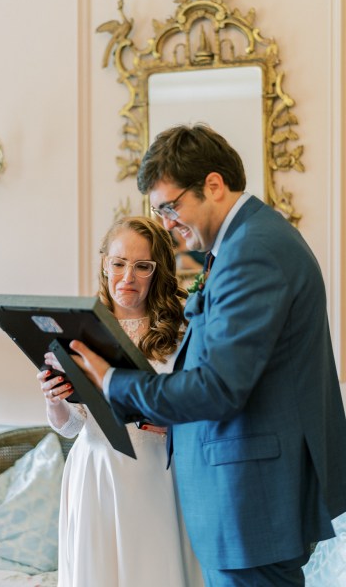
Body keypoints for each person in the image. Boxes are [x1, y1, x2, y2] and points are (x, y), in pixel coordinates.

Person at [67, 124, 346, 587]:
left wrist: (112, 381)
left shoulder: (253, 251)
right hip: (244, 497)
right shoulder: (244, 244)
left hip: (250, 497)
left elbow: (219, 385)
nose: (167, 222)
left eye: (170, 207)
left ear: (213, 185)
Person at [37, 215, 204, 587]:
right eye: (118, 264)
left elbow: (203, 405)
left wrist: (176, 423)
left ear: (157, 271)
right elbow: (74, 425)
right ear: (104, 264)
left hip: (159, 478)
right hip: (95, 473)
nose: (127, 278)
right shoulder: (79, 330)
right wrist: (55, 402)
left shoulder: (181, 332)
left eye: (142, 266)